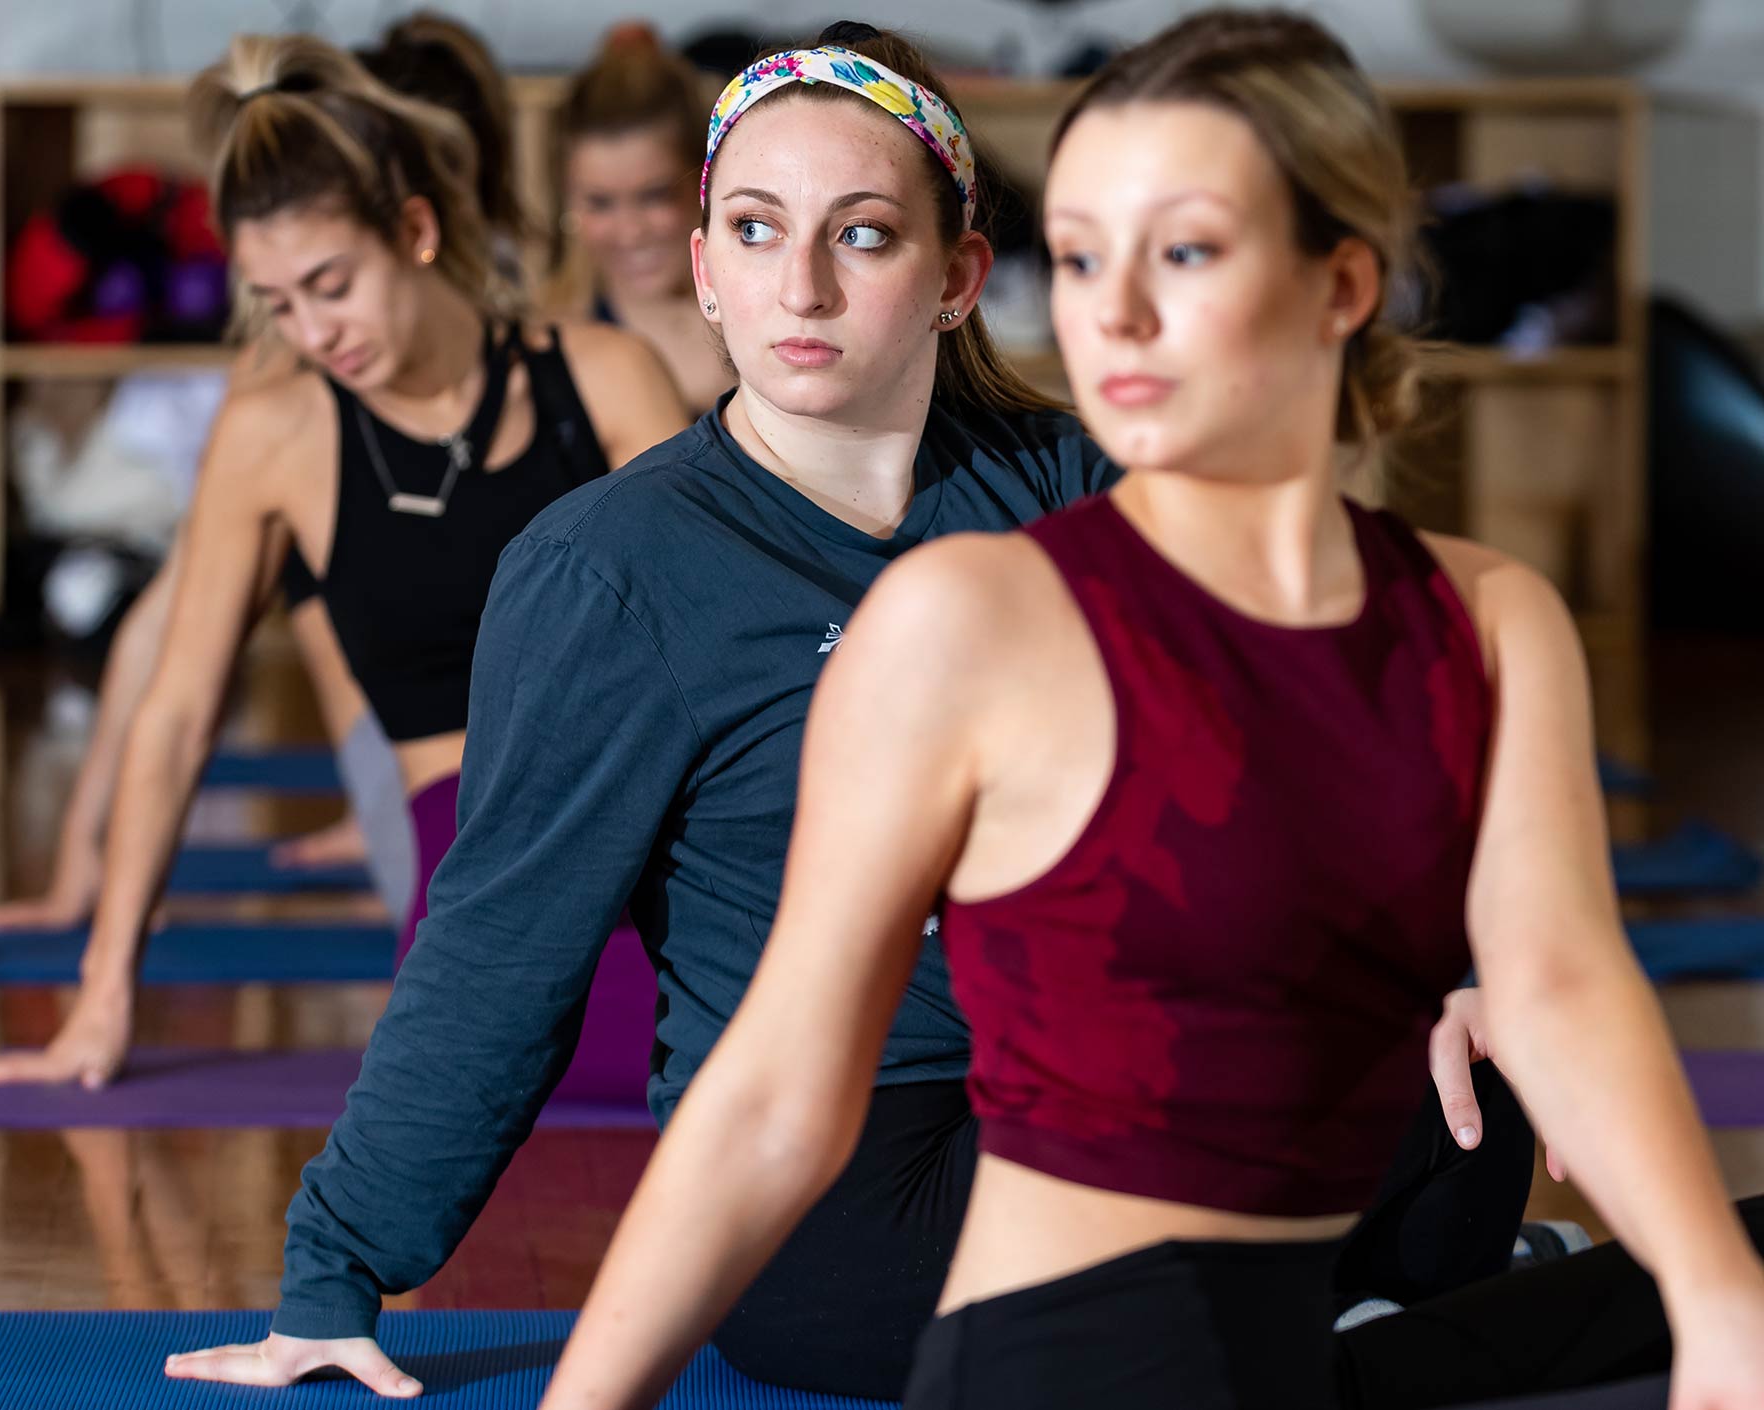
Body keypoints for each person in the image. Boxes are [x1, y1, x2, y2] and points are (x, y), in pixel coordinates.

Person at [161, 23, 1534, 1402]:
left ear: (957, 276)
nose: (799, 285)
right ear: (704, 270)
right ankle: (1328, 1305)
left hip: (1104, 1072)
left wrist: (1446, 961)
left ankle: (1315, 1302)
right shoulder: (612, 572)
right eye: (754, 232)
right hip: (842, 1168)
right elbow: (497, 945)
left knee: (1471, 1093)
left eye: (861, 236)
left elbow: (1317, 742)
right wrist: (335, 1267)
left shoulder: (1079, 483)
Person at [525, 12, 1764, 1409]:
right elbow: (768, 1097)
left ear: (1338, 284)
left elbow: (1563, 989)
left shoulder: (1491, 618)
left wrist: (1721, 1309)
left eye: (1180, 252)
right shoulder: (962, 619)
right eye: (1081, 256)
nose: (1106, 315)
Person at [0, 28, 685, 1092]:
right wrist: (100, 1002)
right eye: (278, 302)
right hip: (477, 874)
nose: (313, 330)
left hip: (644, 838)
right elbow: (179, 711)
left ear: (415, 230)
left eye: (331, 284)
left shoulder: (605, 376)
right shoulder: (277, 435)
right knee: (552, 1068)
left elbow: (706, 634)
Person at [0, 10, 541, 938]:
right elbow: (171, 649)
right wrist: (84, 854)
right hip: (419, 759)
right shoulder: (296, 371)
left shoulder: (543, 346)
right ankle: (386, 803)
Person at [544, 23, 733, 415]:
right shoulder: (550, 345)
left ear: (706, 178)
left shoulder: (774, 314)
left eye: (654, 196)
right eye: (600, 203)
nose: (630, 232)